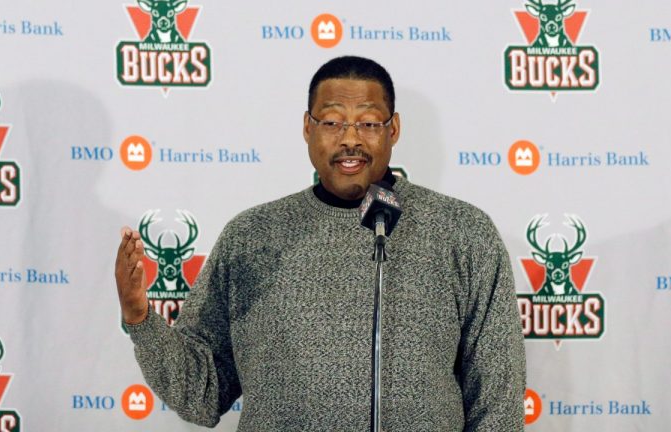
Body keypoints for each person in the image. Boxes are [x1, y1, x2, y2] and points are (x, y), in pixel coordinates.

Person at [114, 55, 526, 431]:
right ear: (307, 128)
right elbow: (201, 393)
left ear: (394, 129)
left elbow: (498, 403)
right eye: (332, 122)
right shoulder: (251, 236)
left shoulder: (463, 232)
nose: (350, 139)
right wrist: (139, 318)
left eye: (368, 123)